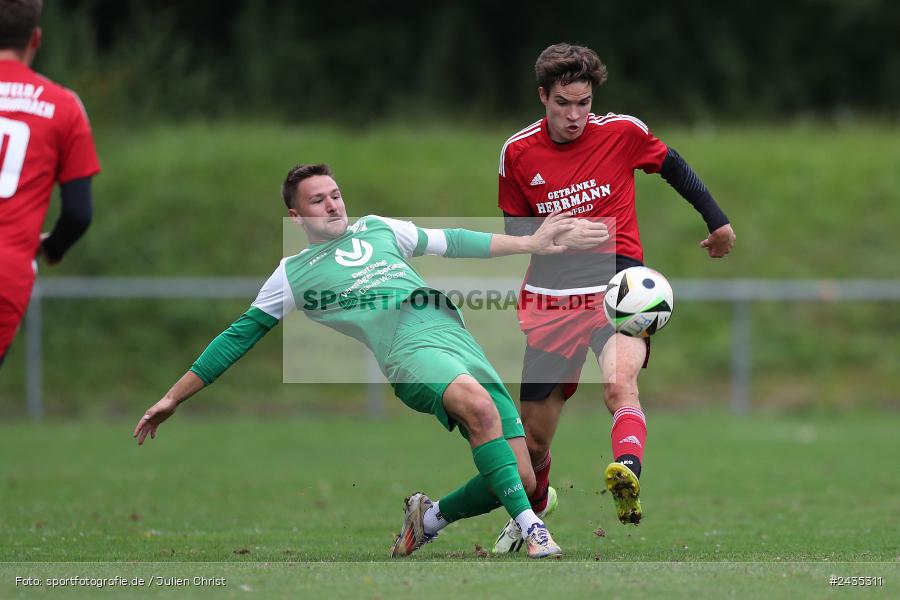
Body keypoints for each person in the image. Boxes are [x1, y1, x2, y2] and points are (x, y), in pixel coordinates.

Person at [133, 163, 609, 559]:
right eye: (317, 199)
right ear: (295, 215)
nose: (332, 204)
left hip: (454, 337)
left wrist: (531, 242)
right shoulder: (292, 273)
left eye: (335, 194)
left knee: (522, 478)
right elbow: (237, 336)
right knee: (481, 412)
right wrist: (173, 397)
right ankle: (534, 531)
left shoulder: (380, 228)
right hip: (407, 351)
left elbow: (454, 240)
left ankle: (429, 518)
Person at [492, 43, 736, 552]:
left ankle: (626, 470)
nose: (575, 115)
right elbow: (517, 229)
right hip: (552, 297)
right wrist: (555, 234)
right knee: (533, 441)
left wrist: (718, 221)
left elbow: (673, 165)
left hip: (618, 285)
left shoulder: (622, 132)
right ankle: (531, 517)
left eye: (583, 102)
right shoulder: (517, 153)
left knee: (620, 385)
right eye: (563, 102)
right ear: (543, 96)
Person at [0, 0, 100, 368]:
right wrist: (52, 248)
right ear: (35, 39)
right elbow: (77, 213)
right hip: (6, 270)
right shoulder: (63, 106)